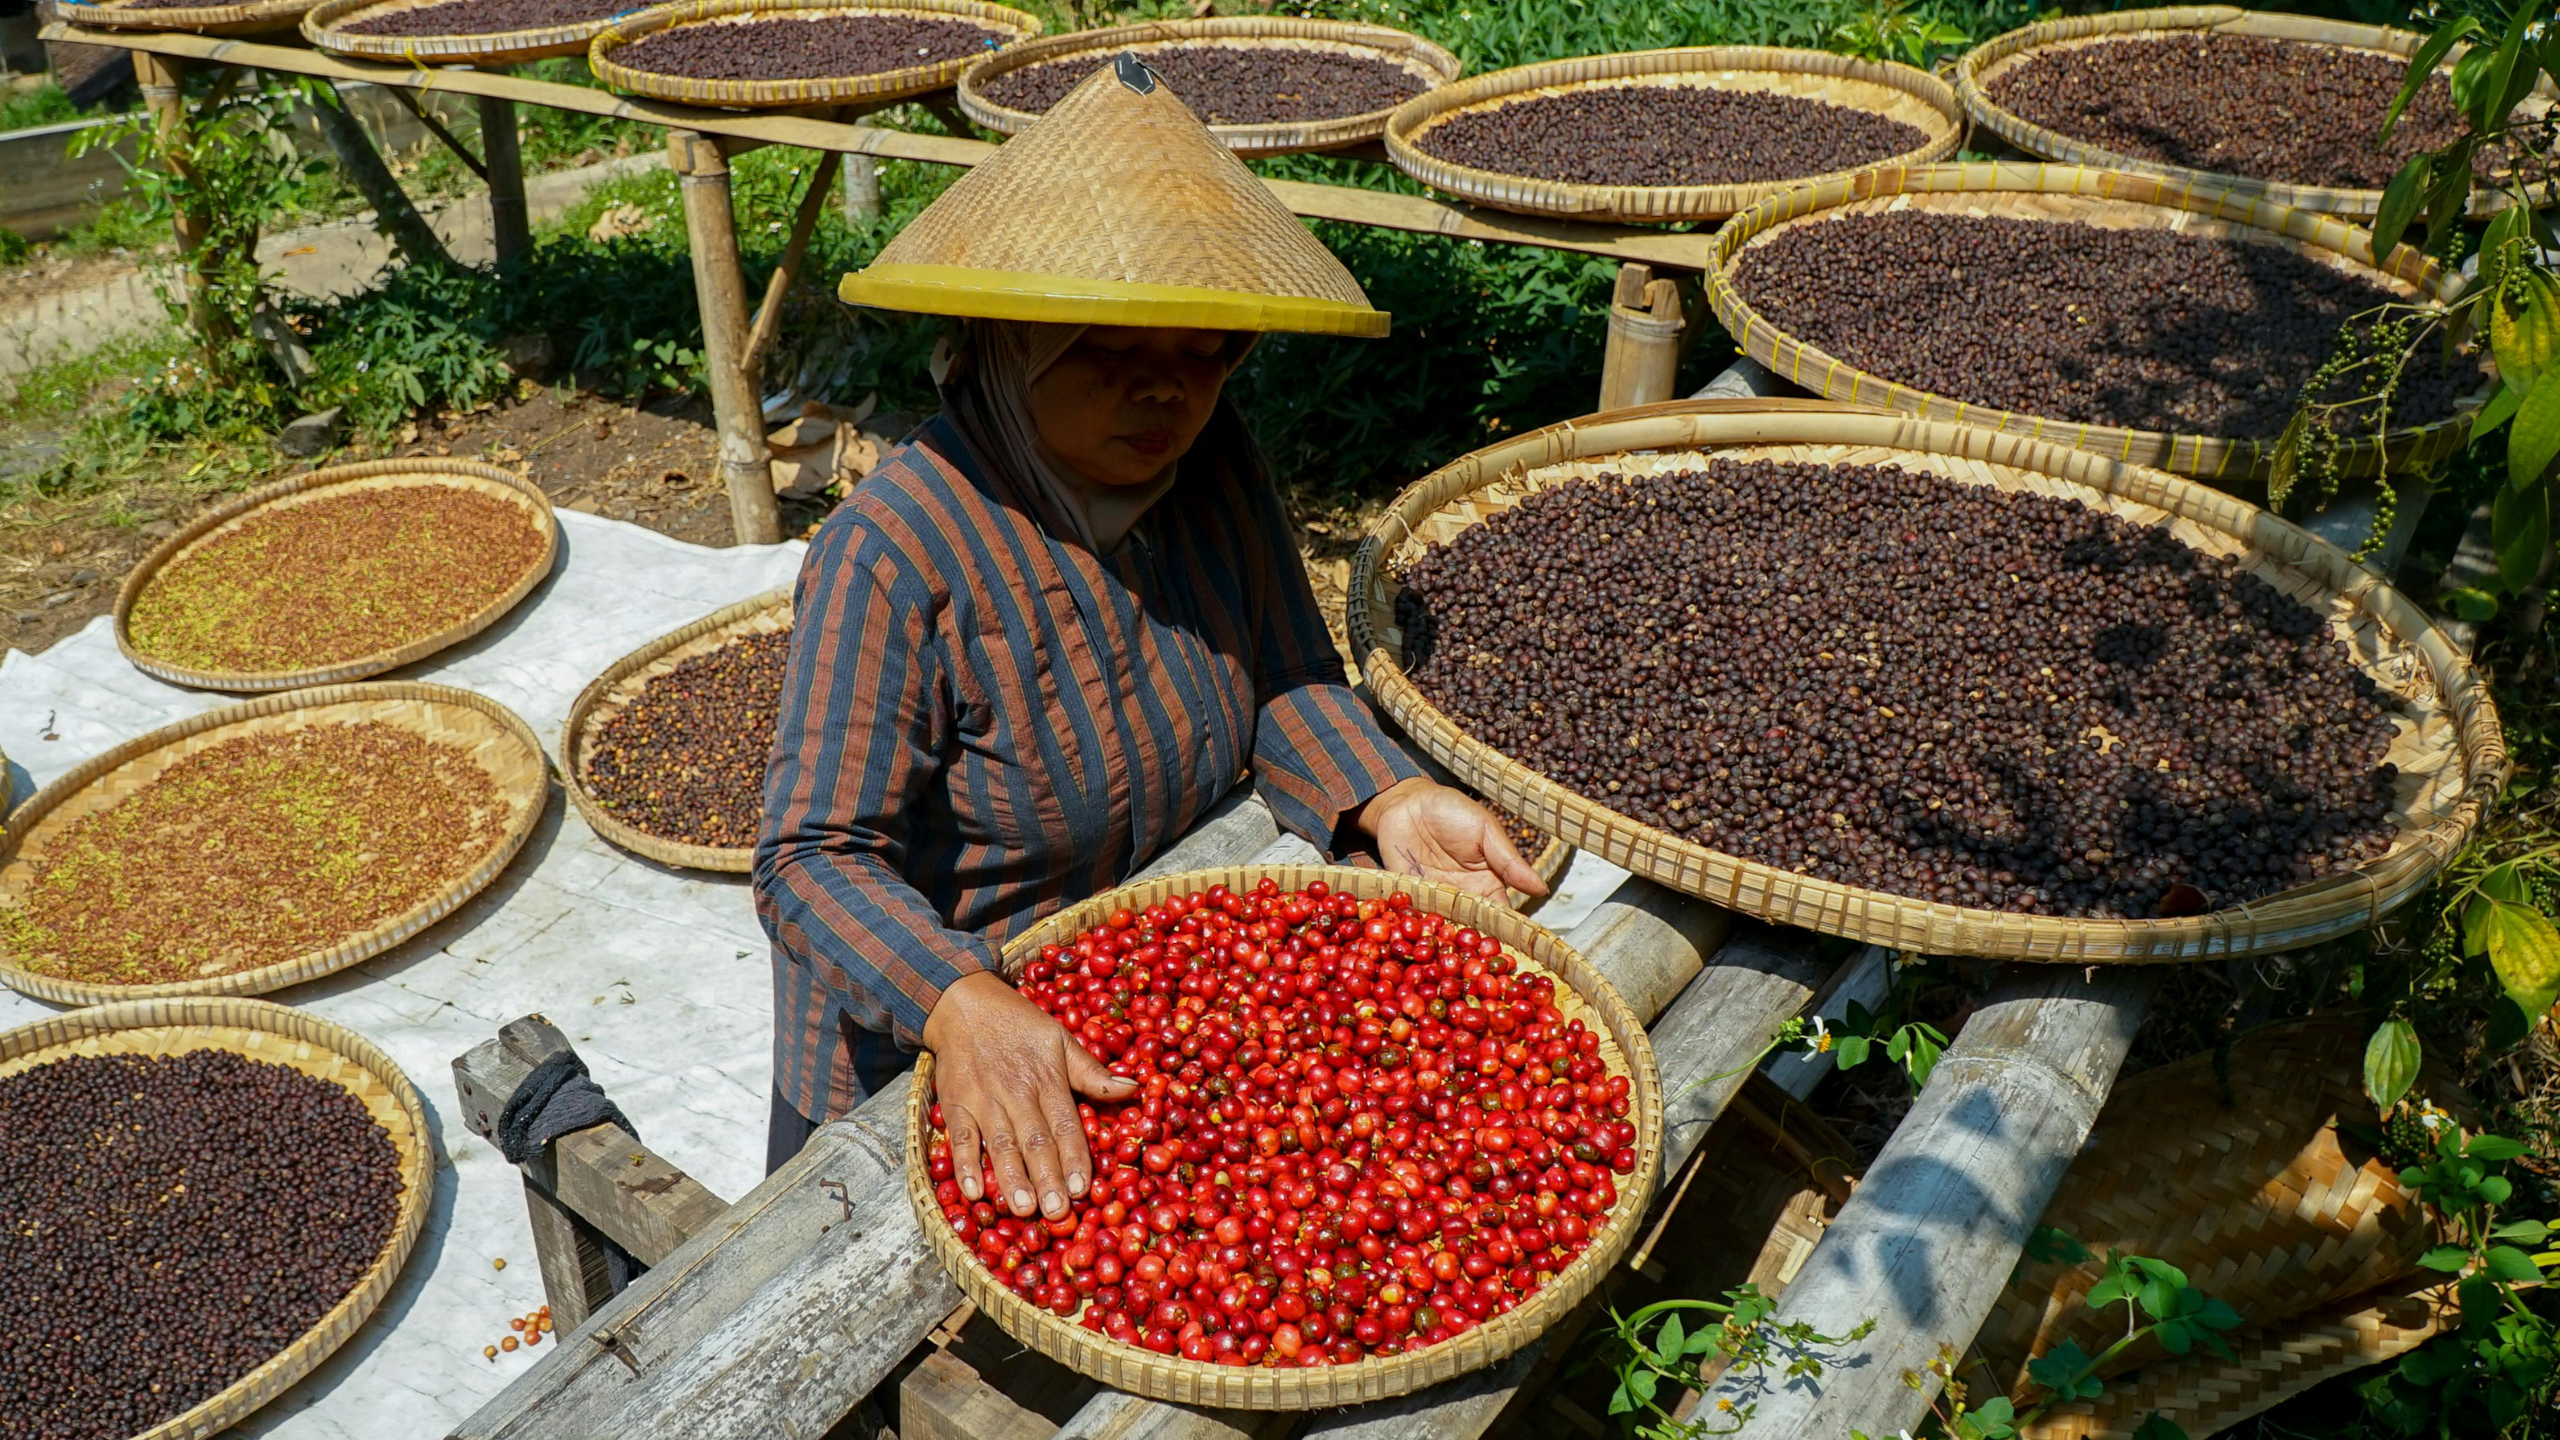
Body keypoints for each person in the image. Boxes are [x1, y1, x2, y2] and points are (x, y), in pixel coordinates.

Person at [754, 55, 1544, 1220]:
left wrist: (1386, 796)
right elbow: (809, 861)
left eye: (1199, 356)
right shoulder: (894, 552)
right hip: (936, 1047)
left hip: (1140, 992)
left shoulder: (1211, 465)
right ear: (1013, 344)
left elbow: (1284, 674)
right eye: (1113, 355)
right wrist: (961, 1005)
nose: (1166, 396)